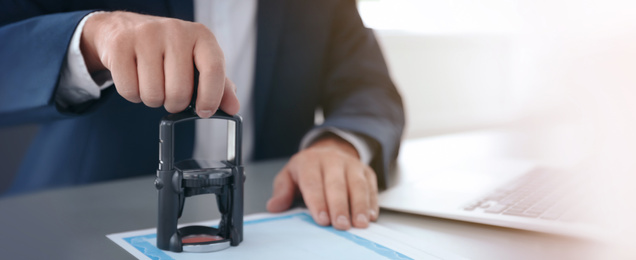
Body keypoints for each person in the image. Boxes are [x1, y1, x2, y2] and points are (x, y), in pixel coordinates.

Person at [0, 0, 404, 231]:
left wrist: (338, 144)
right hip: (72, 226)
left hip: (270, 223)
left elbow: (368, 87)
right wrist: (89, 37)